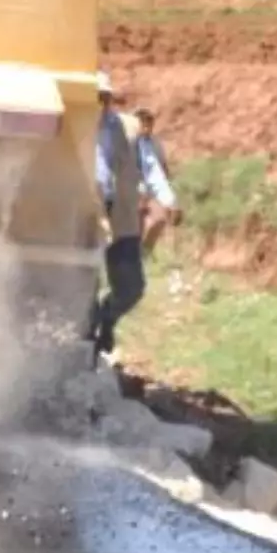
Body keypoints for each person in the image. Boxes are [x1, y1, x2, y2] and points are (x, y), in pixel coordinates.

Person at [91, 73, 177, 363]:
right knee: (79, 285)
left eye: (104, 97)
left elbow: (149, 165)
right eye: (94, 97)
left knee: (131, 288)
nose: (99, 104)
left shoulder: (127, 128)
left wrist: (167, 199)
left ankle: (107, 316)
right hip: (81, 220)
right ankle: (89, 342)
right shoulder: (69, 126)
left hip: (121, 220)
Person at [133, 107, 180, 257]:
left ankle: (146, 250)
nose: (147, 128)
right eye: (144, 124)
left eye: (149, 124)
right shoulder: (129, 140)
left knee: (165, 214)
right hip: (134, 182)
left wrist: (167, 182)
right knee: (137, 217)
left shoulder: (155, 142)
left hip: (154, 182)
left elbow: (161, 166)